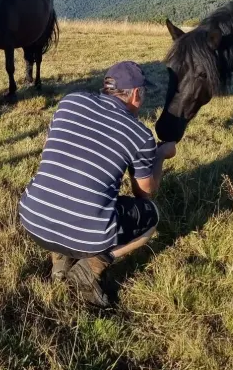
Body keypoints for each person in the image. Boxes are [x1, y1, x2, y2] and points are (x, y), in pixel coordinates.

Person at [18, 61, 177, 307]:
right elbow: (146, 192)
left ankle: (60, 263)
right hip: (84, 233)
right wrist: (160, 156)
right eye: (143, 94)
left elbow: (49, 148)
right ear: (136, 94)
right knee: (151, 216)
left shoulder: (69, 101)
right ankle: (90, 268)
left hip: (32, 219)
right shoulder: (140, 135)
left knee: (63, 186)